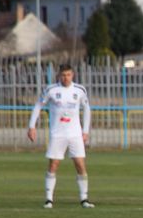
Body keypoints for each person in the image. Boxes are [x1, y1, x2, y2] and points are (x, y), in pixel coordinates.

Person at [27, 63, 93, 209]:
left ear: (73, 75)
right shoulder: (51, 90)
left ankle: (84, 199)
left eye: (68, 75)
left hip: (75, 134)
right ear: (59, 75)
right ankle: (49, 199)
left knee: (80, 164)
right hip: (57, 134)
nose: (66, 78)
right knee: (53, 164)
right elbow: (38, 106)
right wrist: (32, 126)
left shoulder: (80, 90)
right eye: (63, 75)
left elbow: (87, 109)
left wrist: (85, 130)